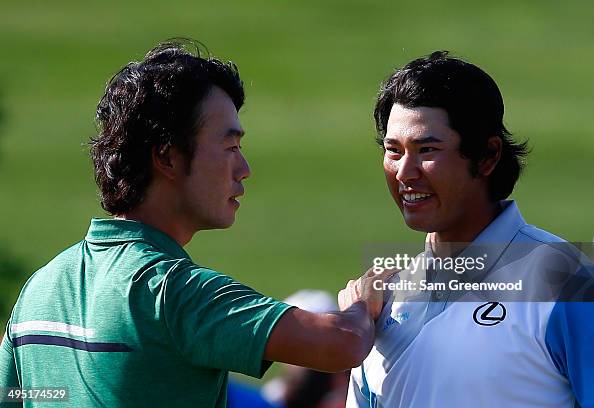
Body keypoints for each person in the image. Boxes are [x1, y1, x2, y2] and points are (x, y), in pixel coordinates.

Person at [0, 39, 394, 407]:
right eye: (230, 147)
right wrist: (363, 300)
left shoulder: (39, 289)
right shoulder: (173, 292)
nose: (244, 169)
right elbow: (341, 344)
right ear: (167, 157)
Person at [344, 51, 594, 407]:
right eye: (394, 151)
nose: (405, 173)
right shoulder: (379, 303)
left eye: (426, 149)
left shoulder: (571, 287)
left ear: (488, 156)